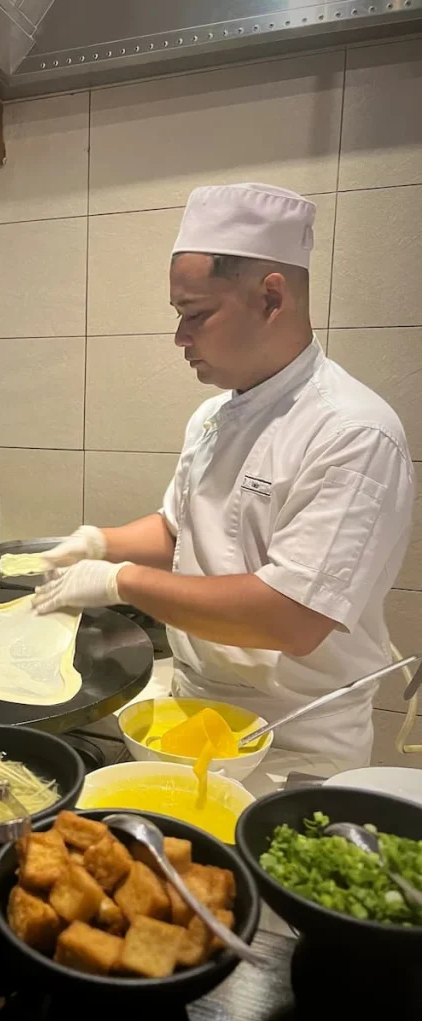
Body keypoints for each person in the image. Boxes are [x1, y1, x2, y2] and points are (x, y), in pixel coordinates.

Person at [33, 182, 415, 769]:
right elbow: (179, 529)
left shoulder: (353, 433)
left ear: (271, 296)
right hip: (194, 708)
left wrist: (121, 582)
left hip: (294, 739)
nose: (180, 338)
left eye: (196, 314)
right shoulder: (215, 415)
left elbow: (292, 617)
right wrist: (98, 543)